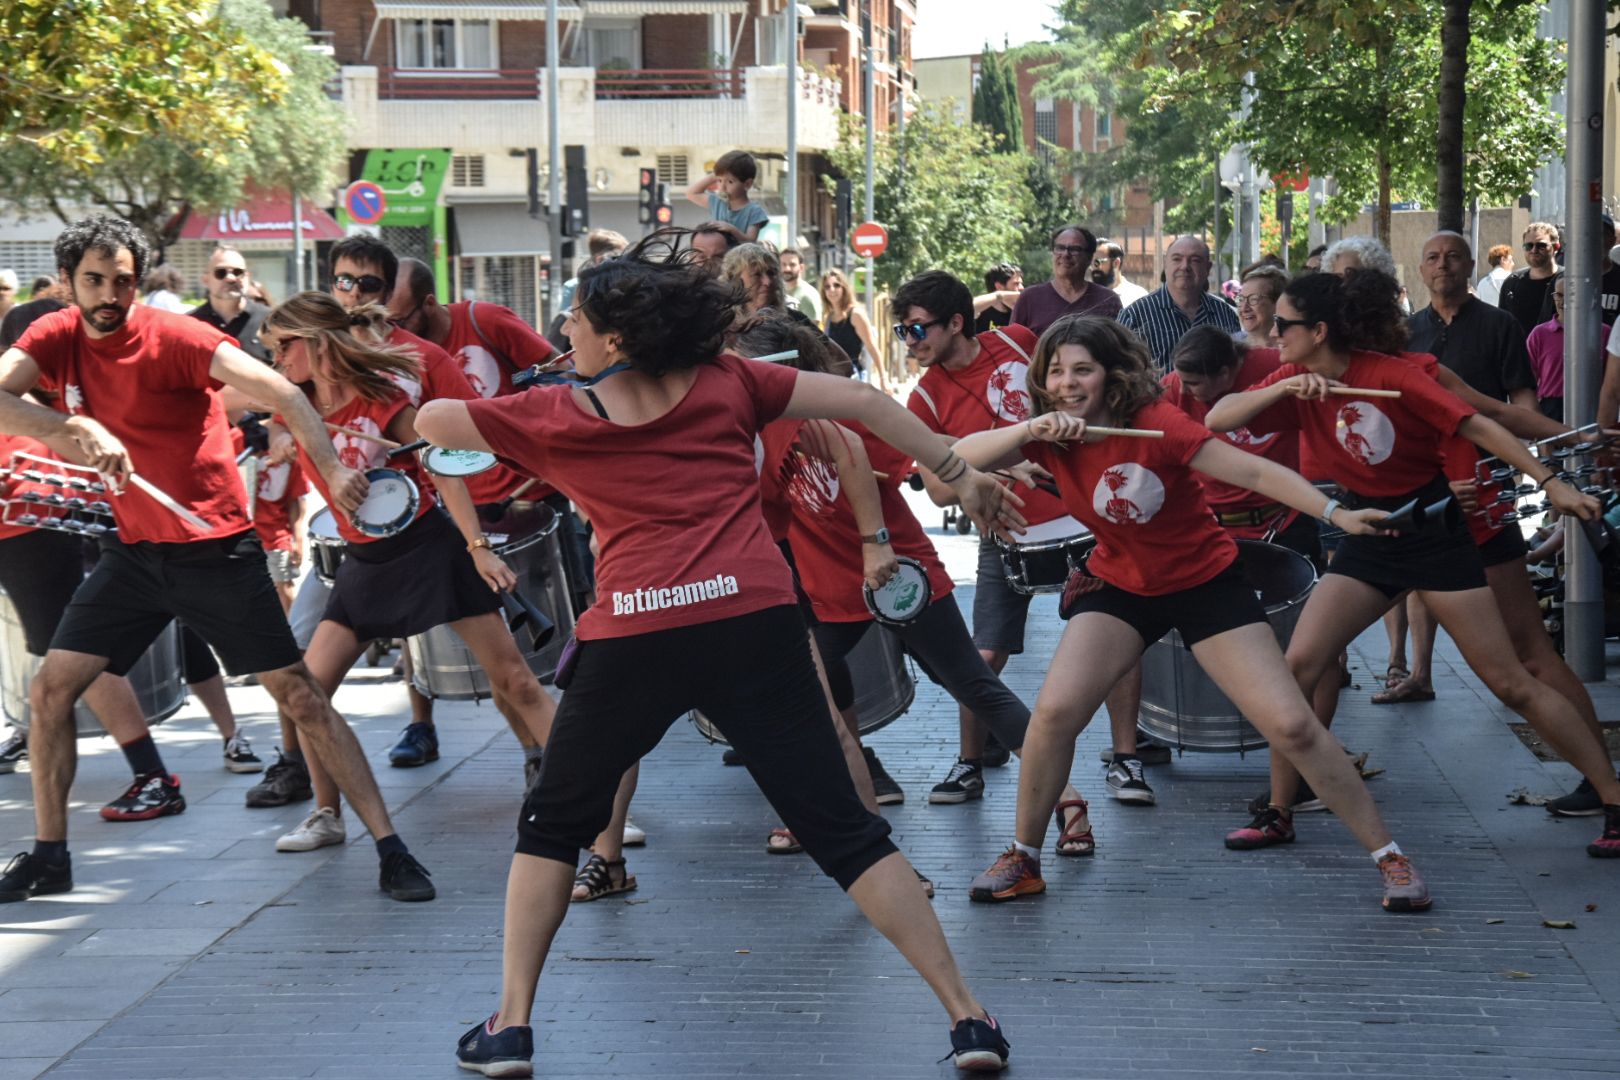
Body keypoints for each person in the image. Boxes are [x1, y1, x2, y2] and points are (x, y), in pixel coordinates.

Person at [415, 240, 1024, 1076]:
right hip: (754, 622)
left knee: (553, 825)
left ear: (617, 338)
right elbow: (857, 399)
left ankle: (510, 1026)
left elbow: (432, 424)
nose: (563, 326)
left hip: (633, 635)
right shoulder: (733, 383)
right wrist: (958, 470)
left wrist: (553, 388)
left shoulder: (555, 416)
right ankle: (969, 1020)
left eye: (578, 319)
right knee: (845, 833)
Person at [0, 214, 435, 904]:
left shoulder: (178, 337)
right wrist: (69, 426)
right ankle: (51, 856)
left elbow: (285, 392)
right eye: (94, 280)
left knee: (300, 696)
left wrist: (332, 470)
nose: (110, 293)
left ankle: (392, 846)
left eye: (123, 280)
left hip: (215, 551)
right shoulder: (53, 336)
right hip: (134, 554)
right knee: (51, 691)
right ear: (67, 282)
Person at [953, 314, 1432, 912]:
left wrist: (1336, 517)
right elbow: (955, 461)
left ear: (1112, 374)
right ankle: (1024, 857)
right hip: (1119, 582)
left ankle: (1390, 857)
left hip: (1205, 582)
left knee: (1290, 725)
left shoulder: (1157, 423)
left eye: (1083, 369)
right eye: (1056, 371)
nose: (1069, 383)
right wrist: (1028, 427)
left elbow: (1254, 470)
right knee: (1053, 715)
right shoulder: (1048, 432)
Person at [1204, 267, 1620, 862]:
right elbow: (1219, 419)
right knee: (1298, 664)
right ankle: (1280, 808)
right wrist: (1281, 390)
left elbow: (1476, 422)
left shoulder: (1392, 375)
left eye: (1284, 325)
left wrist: (1551, 480)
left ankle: (1613, 799)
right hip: (1369, 534)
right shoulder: (1295, 375)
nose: (1274, 333)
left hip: (1433, 536)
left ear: (1319, 330)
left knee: (1509, 681)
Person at [255, 293, 556, 856]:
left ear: (315, 342)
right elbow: (263, 420)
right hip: (364, 562)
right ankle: (327, 814)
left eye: (281, 348)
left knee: (515, 682)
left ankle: (598, 805)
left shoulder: (382, 399)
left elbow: (442, 468)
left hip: (427, 549)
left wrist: (477, 548)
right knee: (309, 695)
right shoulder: (293, 403)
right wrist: (280, 443)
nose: (275, 362)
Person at [897, 270, 1158, 807]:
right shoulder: (923, 399)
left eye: (918, 329)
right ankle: (969, 762)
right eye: (904, 331)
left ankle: (1127, 759)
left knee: (1119, 642)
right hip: (1009, 535)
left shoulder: (1017, 341)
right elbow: (939, 492)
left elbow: (1069, 394)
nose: (911, 342)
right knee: (983, 654)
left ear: (956, 322)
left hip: (1085, 521)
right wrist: (995, 472)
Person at [1119, 235, 1240, 369]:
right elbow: (1121, 372)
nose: (1185, 266)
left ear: (1208, 268)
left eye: (1195, 260)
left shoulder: (1225, 314)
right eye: (1177, 259)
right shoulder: (1135, 316)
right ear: (1165, 264)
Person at [1527, 276, 1613, 421]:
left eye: (1570, 294)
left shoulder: (1604, 333)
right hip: (1551, 408)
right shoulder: (1539, 334)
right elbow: (1528, 381)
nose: (1563, 301)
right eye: (1558, 295)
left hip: (1594, 407)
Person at [1010, 225, 1122, 334]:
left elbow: (1120, 349)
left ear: (1089, 258)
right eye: (1060, 248)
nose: (1065, 254)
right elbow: (1012, 346)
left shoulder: (1108, 300)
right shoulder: (1029, 298)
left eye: (1074, 249)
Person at [189, 247, 270, 364]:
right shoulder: (191, 323)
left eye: (238, 272)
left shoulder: (270, 319)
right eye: (220, 272)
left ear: (247, 277)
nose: (231, 278)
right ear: (206, 280)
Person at [820, 267, 889, 393]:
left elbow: (872, 346)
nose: (832, 290)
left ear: (844, 288)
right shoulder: (829, 317)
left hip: (853, 377)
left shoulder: (856, 314)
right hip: (834, 378)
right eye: (827, 287)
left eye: (836, 285)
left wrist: (883, 378)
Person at [683, 149, 769, 240]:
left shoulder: (754, 211)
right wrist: (717, 173)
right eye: (719, 180)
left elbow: (750, 242)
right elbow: (691, 193)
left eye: (730, 182)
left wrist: (731, 230)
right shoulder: (717, 202)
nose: (722, 187)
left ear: (747, 184)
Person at [1497, 222, 1563, 335]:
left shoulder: (1566, 280)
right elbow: (1502, 326)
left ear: (1556, 247)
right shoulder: (1512, 283)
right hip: (1519, 351)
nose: (1533, 250)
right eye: (1529, 246)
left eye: (1541, 245)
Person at [1235, 266, 1287, 345]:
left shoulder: (1296, 349)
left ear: (1278, 303)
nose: (1244, 308)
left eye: (1253, 299)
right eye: (1241, 299)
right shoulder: (1230, 348)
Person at [1090, 240, 1149, 308]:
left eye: (1098, 262)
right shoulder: (1085, 296)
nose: (1094, 267)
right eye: (1091, 262)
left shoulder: (1137, 296)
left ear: (1116, 263)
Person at [974, 262, 1023, 334]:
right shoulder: (981, 310)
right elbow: (969, 307)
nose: (1022, 288)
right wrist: (999, 296)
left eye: (1021, 284)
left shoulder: (1019, 313)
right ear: (999, 286)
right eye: (1016, 284)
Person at [780, 247, 820, 320]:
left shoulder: (808, 295)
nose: (787, 269)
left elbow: (814, 329)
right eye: (783, 264)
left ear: (801, 268)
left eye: (792, 265)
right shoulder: (780, 292)